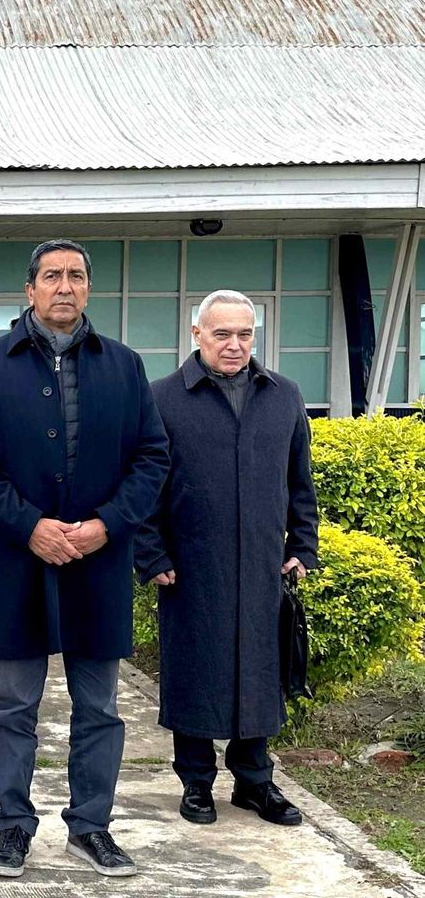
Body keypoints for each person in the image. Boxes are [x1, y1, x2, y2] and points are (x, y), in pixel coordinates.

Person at [0, 239, 169, 880]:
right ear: (30, 290)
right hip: (22, 562)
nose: (65, 287)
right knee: (13, 704)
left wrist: (106, 526)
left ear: (88, 289)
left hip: (98, 563)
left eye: (76, 276)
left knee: (99, 707)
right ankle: (13, 826)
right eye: (52, 276)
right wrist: (28, 526)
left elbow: (152, 457)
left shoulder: (125, 367)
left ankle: (91, 827)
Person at [136, 290, 319, 828]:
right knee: (196, 671)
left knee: (259, 670)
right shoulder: (163, 398)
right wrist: (151, 555)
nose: (235, 345)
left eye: (245, 334)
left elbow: (300, 486)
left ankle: (255, 782)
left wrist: (301, 548)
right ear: (197, 335)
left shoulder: (283, 396)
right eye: (222, 334)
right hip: (191, 568)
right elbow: (144, 488)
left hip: (264, 566)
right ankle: (196, 783)